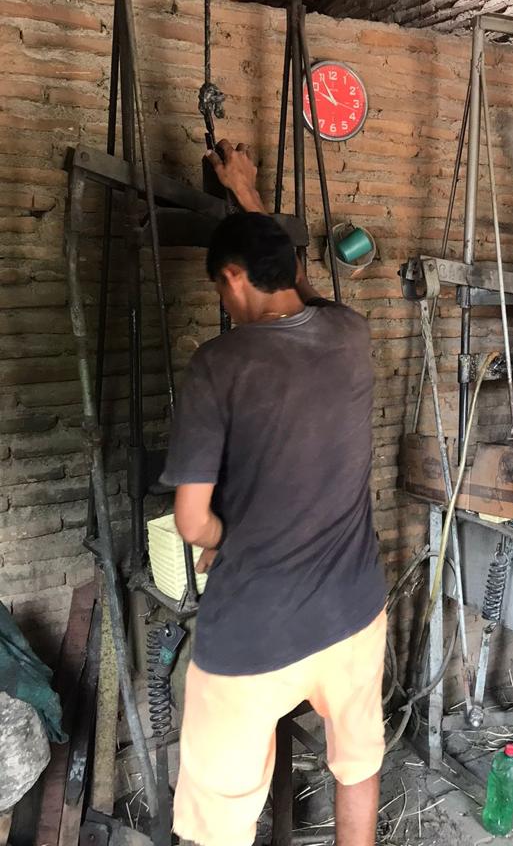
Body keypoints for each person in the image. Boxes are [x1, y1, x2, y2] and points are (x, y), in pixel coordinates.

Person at [161, 140, 387, 846]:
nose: (223, 302)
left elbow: (192, 521)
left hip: (255, 628)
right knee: (357, 763)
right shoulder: (350, 333)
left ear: (232, 277)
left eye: (220, 287)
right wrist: (247, 194)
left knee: (222, 810)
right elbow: (303, 289)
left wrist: (232, 532)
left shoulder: (217, 363)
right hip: (353, 608)